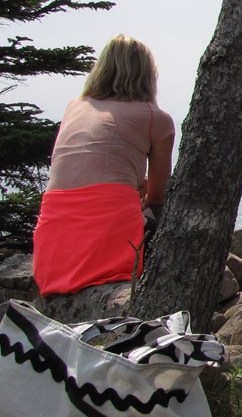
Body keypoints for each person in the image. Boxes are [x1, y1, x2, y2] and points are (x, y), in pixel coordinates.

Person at [32, 34, 175, 296]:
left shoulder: (74, 106)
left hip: (53, 250)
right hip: (109, 242)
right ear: (147, 74)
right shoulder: (156, 118)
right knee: (167, 216)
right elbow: (158, 195)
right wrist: (140, 190)